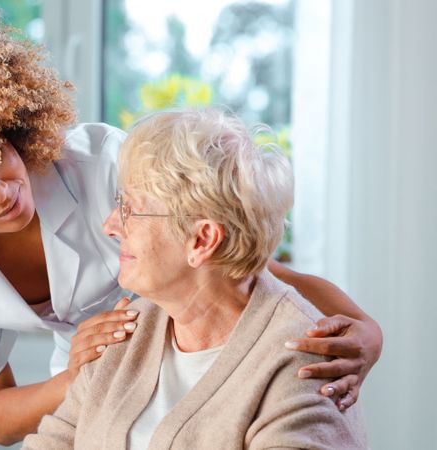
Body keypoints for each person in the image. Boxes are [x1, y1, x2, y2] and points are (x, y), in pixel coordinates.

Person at [0, 4, 381, 445]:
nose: (0, 192)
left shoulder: (102, 166)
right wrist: (80, 372)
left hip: (191, 341)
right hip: (104, 370)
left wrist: (365, 330)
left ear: (2, 121)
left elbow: (243, 262)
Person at [23, 108, 367, 449]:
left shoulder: (301, 365)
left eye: (130, 208)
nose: (110, 225)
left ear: (201, 240)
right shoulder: (126, 330)